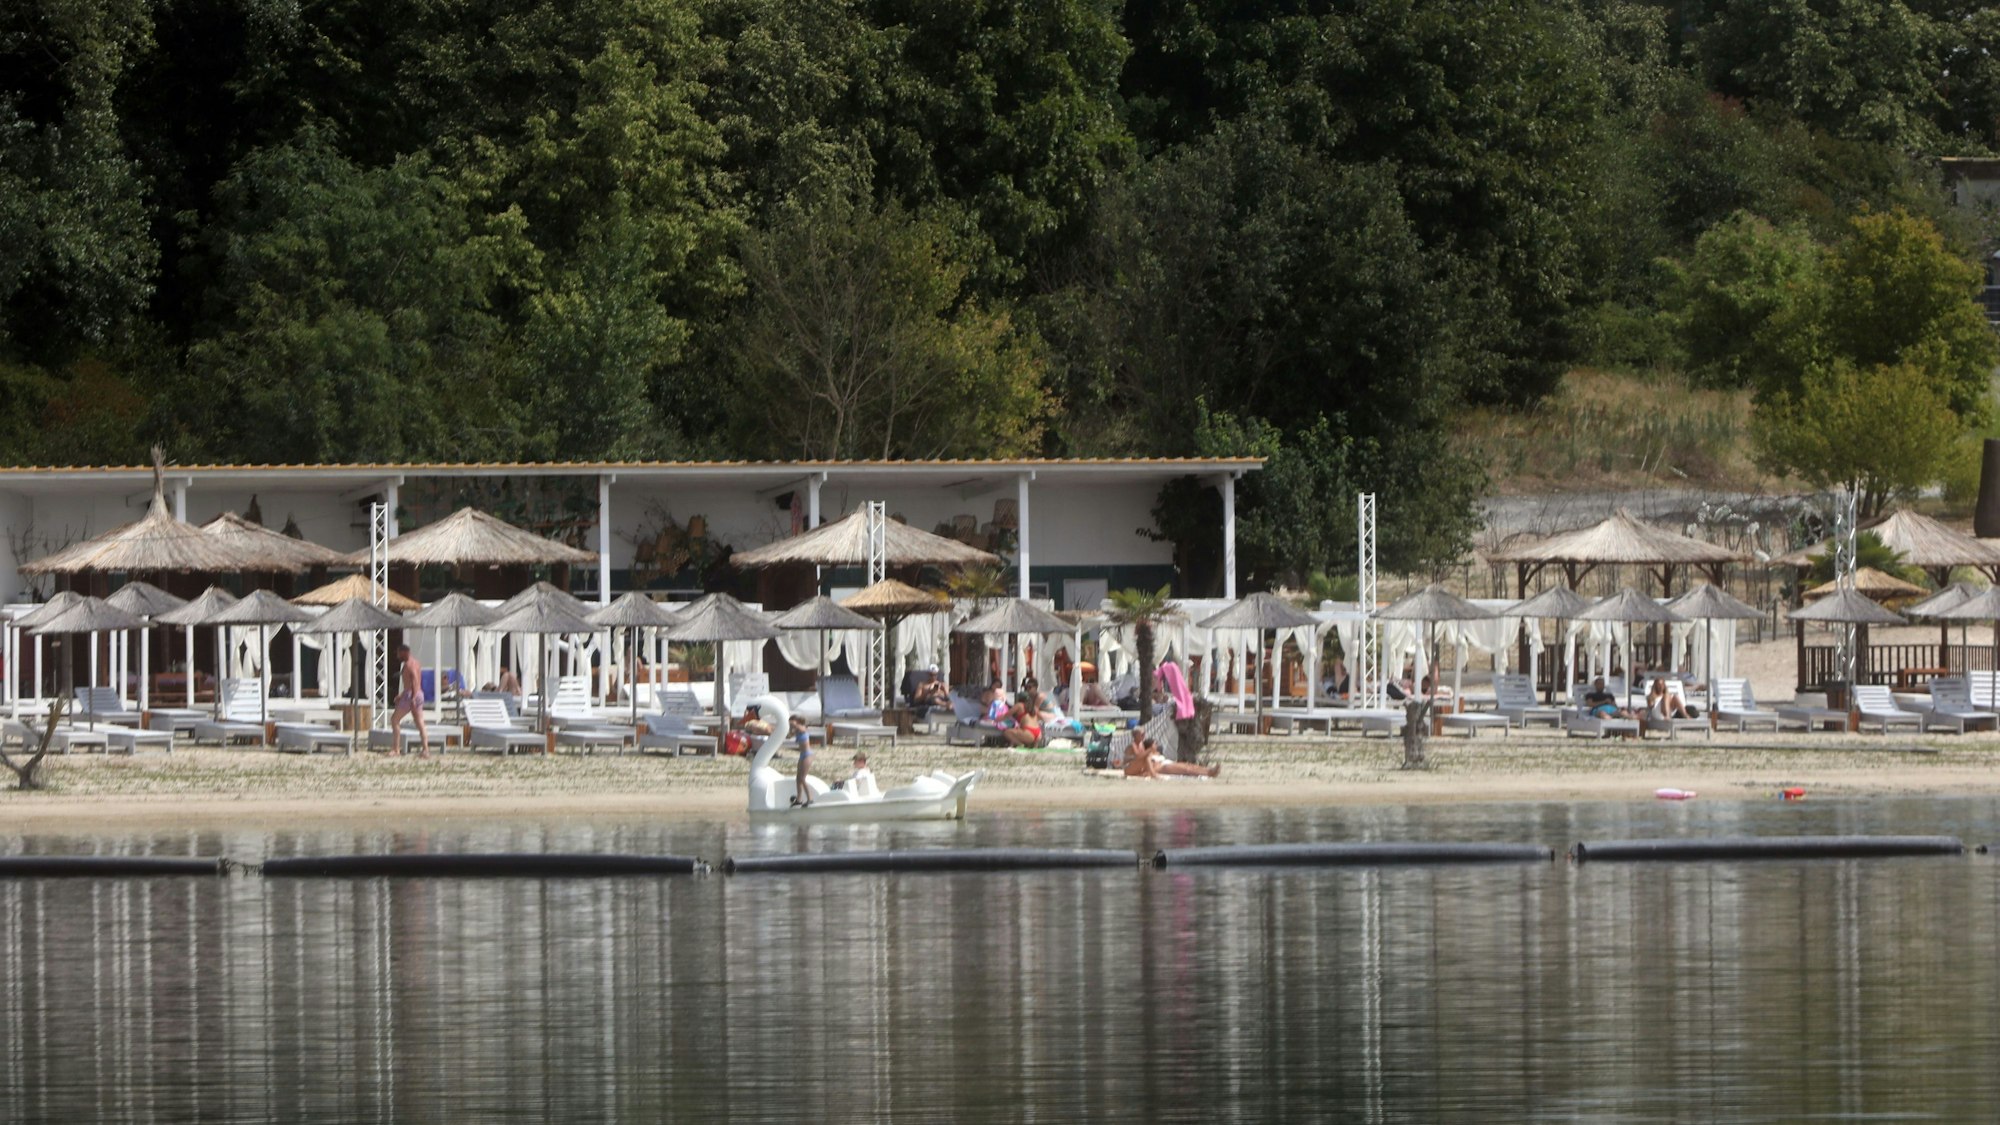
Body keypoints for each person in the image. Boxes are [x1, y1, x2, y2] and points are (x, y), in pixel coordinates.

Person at [391, 645, 430, 758]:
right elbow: (413, 682)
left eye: (399, 653)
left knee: (394, 719)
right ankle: (425, 749)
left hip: (411, 695)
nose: (397, 656)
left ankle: (396, 749)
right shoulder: (416, 663)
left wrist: (412, 697)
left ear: (404, 652)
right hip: (418, 694)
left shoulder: (409, 665)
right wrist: (401, 695)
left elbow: (414, 681)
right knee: (419, 722)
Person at [1122, 736, 1219, 779]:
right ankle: (1209, 773)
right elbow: (1146, 764)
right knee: (1186, 769)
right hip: (1163, 767)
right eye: (1155, 744)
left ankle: (1209, 770)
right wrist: (1153, 774)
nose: (1157, 745)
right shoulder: (1148, 755)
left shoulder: (1156, 754)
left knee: (1189, 765)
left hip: (1167, 763)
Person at [787, 714, 814, 807]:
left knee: (802, 778)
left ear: (796, 721)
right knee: (798, 778)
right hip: (802, 755)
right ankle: (799, 799)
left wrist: (794, 724)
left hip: (808, 755)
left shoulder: (802, 728)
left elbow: (802, 729)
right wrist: (791, 728)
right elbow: (789, 736)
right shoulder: (796, 730)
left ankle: (810, 798)